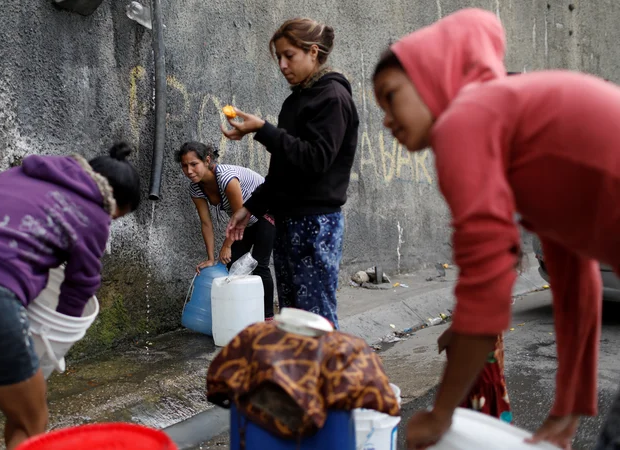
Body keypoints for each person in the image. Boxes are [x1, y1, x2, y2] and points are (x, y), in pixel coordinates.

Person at [371, 8, 620, 449]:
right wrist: (566, 410)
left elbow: (486, 281)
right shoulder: (512, 127)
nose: (387, 120)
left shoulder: (465, 120)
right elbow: (574, 280)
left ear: (434, 75)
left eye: (390, 96)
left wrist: (440, 414)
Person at [0, 143, 140, 449]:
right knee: (34, 424)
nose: (110, 222)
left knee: (19, 415)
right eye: (116, 217)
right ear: (114, 202)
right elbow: (81, 285)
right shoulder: (94, 210)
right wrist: (55, 341)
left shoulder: (14, 176)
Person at [222, 17, 359, 328]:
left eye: (289, 56)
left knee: (316, 318)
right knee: (292, 320)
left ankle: (329, 375)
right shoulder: (293, 103)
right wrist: (249, 208)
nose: (282, 65)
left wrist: (263, 129)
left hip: (316, 223)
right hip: (287, 222)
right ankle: (302, 376)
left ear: (313, 52)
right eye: (278, 57)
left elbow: (316, 160)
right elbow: (282, 170)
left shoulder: (333, 98)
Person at [177, 141, 276, 320]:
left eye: (194, 164)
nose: (189, 171)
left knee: (259, 265)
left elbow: (240, 216)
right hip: (246, 221)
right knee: (232, 264)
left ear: (207, 160)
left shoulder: (226, 178)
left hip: (267, 213)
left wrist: (226, 245)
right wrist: (210, 258)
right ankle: (244, 315)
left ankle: (268, 319)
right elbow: (206, 223)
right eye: (184, 166)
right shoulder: (196, 187)